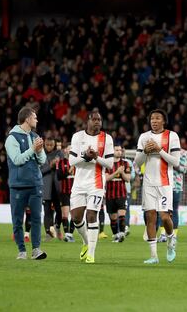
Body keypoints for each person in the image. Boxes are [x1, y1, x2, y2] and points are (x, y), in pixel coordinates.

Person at [135, 109, 181, 264]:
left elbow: (175, 162)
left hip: (164, 183)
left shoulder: (172, 136)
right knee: (150, 217)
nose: (154, 121)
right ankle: (154, 256)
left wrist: (159, 150)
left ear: (163, 121)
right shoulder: (144, 137)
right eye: (152, 118)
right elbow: (137, 162)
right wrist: (145, 152)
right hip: (148, 183)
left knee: (165, 217)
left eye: (157, 118)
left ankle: (170, 242)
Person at [69, 111, 115, 264]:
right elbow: (71, 161)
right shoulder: (78, 137)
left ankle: (91, 254)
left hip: (96, 184)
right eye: (94, 119)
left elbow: (109, 164)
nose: (97, 122)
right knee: (75, 217)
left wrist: (95, 157)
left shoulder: (107, 139)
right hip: (79, 183)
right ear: (87, 121)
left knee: (91, 215)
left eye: (99, 120)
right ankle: (86, 242)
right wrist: (85, 157)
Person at [5, 107, 48, 260]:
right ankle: (21, 251)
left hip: (36, 183)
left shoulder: (35, 136)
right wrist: (32, 149)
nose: (36, 120)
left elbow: (43, 161)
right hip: (18, 185)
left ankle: (36, 249)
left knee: (36, 218)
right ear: (27, 119)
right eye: (34, 117)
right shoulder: (12, 138)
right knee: (17, 219)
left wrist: (39, 150)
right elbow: (17, 160)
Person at [105, 145, 132, 242]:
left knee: (121, 215)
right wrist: (117, 171)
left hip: (121, 194)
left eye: (120, 150)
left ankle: (121, 234)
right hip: (110, 194)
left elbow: (128, 179)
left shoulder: (125, 163)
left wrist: (122, 173)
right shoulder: (107, 164)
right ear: (112, 151)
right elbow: (106, 178)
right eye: (117, 150)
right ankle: (116, 235)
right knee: (113, 218)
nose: (119, 152)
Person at [40, 138, 62, 241]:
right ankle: (48, 233)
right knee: (47, 211)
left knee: (59, 211)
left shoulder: (59, 154)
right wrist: (50, 166)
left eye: (51, 145)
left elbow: (63, 167)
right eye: (47, 145)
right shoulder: (40, 155)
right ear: (44, 144)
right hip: (46, 188)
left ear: (54, 144)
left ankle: (57, 228)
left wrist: (58, 163)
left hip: (58, 188)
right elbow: (40, 172)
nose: (49, 147)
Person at [55, 144, 75, 242]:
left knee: (75, 215)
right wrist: (69, 171)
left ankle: (70, 234)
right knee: (65, 214)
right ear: (65, 150)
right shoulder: (60, 162)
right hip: (64, 192)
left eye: (72, 149)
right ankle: (67, 234)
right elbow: (59, 176)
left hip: (76, 192)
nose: (71, 150)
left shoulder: (78, 163)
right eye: (69, 149)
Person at [171, 149, 187, 237]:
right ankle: (163, 233)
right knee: (163, 210)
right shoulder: (165, 150)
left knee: (174, 210)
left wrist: (174, 164)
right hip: (164, 185)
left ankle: (174, 234)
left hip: (176, 186)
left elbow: (184, 169)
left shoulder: (182, 153)